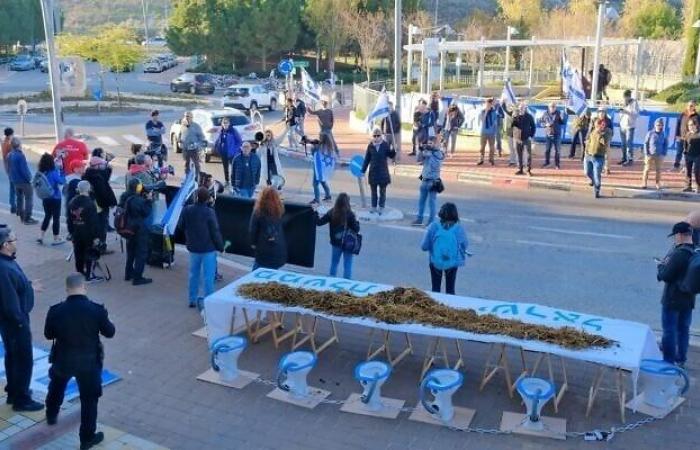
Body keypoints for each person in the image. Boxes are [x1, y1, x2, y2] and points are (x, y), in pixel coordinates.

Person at [44, 273, 115, 450]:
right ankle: (87, 439)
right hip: (89, 364)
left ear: (67, 289)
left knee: (57, 387)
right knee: (89, 400)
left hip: (63, 359)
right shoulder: (97, 310)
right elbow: (110, 332)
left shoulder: (55, 310)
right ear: (84, 287)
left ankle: (52, 414)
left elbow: (48, 334)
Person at [0, 226, 44, 412]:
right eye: (13, 239)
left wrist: (28, 285)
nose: (16, 241)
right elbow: (9, 302)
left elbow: (14, 286)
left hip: (11, 322)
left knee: (13, 356)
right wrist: (20, 322)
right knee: (23, 359)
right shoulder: (3, 268)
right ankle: (22, 399)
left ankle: (14, 391)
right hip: (15, 323)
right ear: (5, 245)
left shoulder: (7, 261)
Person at [657, 222, 696, 368]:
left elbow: (666, 276)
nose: (675, 239)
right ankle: (681, 359)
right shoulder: (695, 251)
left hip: (672, 298)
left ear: (679, 235)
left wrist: (661, 266)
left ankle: (668, 360)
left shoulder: (679, 253)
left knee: (669, 330)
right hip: (688, 298)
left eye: (675, 236)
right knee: (683, 329)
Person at [181, 187, 224, 308]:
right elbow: (215, 231)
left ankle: (192, 299)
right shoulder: (210, 212)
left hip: (193, 247)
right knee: (208, 277)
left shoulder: (187, 210)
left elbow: (181, 225)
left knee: (193, 274)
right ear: (207, 199)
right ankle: (208, 302)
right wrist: (221, 247)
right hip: (208, 248)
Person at [420, 203, 469, 295]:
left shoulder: (433, 226)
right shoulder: (459, 229)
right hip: (452, 263)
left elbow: (424, 246)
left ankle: (435, 306)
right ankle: (450, 306)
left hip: (435, 261)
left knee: (435, 287)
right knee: (450, 288)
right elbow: (465, 245)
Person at [315, 192, 360, 279]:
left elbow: (319, 223)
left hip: (335, 243)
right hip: (348, 243)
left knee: (334, 263)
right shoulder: (350, 214)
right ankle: (346, 283)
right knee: (348, 264)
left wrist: (315, 212)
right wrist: (357, 220)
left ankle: (331, 280)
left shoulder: (332, 212)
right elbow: (356, 229)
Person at [119, 178, 153, 286]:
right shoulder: (138, 200)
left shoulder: (127, 198)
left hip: (129, 228)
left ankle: (128, 273)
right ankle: (138, 278)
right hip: (139, 229)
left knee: (131, 253)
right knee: (141, 254)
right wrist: (149, 201)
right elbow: (146, 212)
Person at [83, 149, 117, 249]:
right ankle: (101, 245)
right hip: (101, 205)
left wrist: (108, 168)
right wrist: (109, 203)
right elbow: (103, 192)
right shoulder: (97, 177)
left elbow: (105, 176)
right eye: (101, 165)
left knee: (96, 225)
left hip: (93, 205)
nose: (103, 166)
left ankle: (96, 244)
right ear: (97, 166)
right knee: (102, 225)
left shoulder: (90, 174)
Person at [68, 181, 101, 281]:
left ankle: (79, 272)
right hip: (88, 233)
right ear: (88, 189)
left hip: (76, 231)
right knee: (89, 252)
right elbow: (94, 222)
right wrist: (96, 236)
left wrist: (71, 232)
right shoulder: (90, 203)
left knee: (78, 253)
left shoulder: (72, 201)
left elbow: (69, 219)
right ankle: (89, 275)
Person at [249, 187, 287, 270]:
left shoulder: (258, 211)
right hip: (278, 247)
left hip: (263, 247)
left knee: (256, 272)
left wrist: (253, 243)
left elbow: (253, 230)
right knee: (273, 273)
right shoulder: (280, 210)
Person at [361, 129, 396, 214]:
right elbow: (367, 159)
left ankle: (381, 207)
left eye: (378, 136)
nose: (376, 138)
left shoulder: (385, 145)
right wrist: (363, 170)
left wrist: (394, 150)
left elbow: (390, 155)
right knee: (373, 191)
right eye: (374, 136)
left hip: (383, 172)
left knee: (382, 191)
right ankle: (373, 207)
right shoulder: (370, 146)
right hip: (373, 172)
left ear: (381, 136)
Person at [412, 138, 444, 226]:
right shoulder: (427, 152)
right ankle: (419, 219)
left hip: (433, 181)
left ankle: (431, 222)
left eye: (431, 143)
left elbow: (434, 165)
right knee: (421, 201)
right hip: (424, 180)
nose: (429, 145)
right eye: (428, 143)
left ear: (436, 144)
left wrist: (429, 152)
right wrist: (420, 150)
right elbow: (418, 160)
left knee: (431, 203)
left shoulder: (438, 154)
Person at [37, 153, 66, 245]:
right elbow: (62, 181)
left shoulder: (41, 172)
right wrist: (62, 171)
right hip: (55, 197)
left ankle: (41, 236)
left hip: (45, 197)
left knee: (47, 216)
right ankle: (56, 238)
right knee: (56, 218)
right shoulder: (53, 172)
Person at [7, 137, 37, 224]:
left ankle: (21, 214)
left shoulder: (10, 155)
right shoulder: (20, 155)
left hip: (15, 181)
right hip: (24, 182)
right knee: (29, 198)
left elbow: (9, 169)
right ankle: (27, 218)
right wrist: (30, 179)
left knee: (19, 198)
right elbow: (24, 170)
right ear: (19, 145)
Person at [213, 117, 242, 187]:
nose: (225, 124)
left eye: (226, 122)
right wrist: (217, 147)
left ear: (229, 123)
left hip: (232, 153)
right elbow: (218, 140)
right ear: (222, 124)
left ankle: (234, 182)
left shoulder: (233, 131)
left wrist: (235, 150)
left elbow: (239, 141)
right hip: (224, 153)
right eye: (224, 123)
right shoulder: (221, 131)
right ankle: (227, 181)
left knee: (234, 168)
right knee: (225, 168)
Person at [585, 118, 610, 199]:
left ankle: (597, 190)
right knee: (587, 172)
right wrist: (586, 152)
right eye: (596, 125)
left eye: (599, 125)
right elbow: (588, 141)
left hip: (599, 157)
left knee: (597, 175)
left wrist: (600, 133)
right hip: (589, 155)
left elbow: (604, 143)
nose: (597, 127)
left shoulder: (606, 133)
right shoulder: (592, 132)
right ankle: (592, 180)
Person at [642, 118, 668, 190]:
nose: (659, 126)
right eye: (658, 125)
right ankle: (644, 182)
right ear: (655, 125)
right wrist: (646, 153)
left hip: (659, 155)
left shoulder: (664, 134)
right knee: (647, 169)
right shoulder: (650, 133)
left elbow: (666, 144)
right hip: (650, 154)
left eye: (661, 125)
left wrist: (664, 153)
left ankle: (657, 183)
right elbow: (645, 143)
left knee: (658, 170)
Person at [179, 111, 206, 178]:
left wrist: (197, 144)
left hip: (194, 148)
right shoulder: (183, 126)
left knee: (196, 164)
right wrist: (180, 140)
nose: (186, 118)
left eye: (188, 116)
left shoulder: (196, 126)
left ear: (191, 117)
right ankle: (187, 177)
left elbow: (202, 137)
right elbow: (180, 134)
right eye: (185, 116)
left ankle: (197, 177)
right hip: (185, 148)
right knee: (186, 164)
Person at [310, 133, 335, 205]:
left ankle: (317, 199)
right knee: (323, 181)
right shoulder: (329, 147)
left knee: (315, 184)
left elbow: (313, 153)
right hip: (324, 169)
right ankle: (328, 195)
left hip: (318, 168)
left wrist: (313, 146)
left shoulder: (319, 147)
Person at [675, 101, 699, 171]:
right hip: (682, 137)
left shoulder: (697, 116)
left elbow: (698, 127)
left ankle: (686, 167)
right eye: (689, 105)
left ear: (694, 107)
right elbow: (678, 125)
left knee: (688, 153)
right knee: (679, 152)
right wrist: (677, 135)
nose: (690, 107)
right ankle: (676, 165)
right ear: (687, 106)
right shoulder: (682, 114)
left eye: (692, 106)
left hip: (691, 139)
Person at [540, 101, 565, 169]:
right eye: (551, 106)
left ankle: (557, 164)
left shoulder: (559, 113)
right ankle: (547, 162)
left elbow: (562, 122)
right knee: (547, 150)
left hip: (557, 134)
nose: (553, 108)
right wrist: (545, 125)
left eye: (554, 106)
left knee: (557, 150)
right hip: (548, 135)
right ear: (549, 107)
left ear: (556, 107)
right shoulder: (545, 113)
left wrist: (562, 118)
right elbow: (541, 122)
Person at [618, 89, 640, 166]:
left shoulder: (634, 103)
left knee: (629, 143)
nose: (624, 99)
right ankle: (624, 158)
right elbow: (621, 113)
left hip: (630, 126)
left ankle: (630, 159)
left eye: (626, 97)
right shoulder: (624, 103)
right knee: (623, 143)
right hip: (622, 126)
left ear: (629, 96)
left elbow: (636, 114)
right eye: (624, 97)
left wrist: (626, 112)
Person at [477, 98, 498, 166]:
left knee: (492, 147)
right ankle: (481, 159)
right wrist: (486, 111)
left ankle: (491, 159)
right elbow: (482, 120)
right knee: (482, 147)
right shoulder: (482, 111)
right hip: (484, 132)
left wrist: (495, 131)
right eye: (487, 104)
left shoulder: (494, 112)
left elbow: (495, 122)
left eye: (489, 104)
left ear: (491, 104)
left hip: (491, 133)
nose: (488, 105)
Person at [2, 128, 16, 214]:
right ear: (10, 134)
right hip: (12, 168)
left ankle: (12, 205)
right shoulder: (9, 144)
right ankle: (14, 206)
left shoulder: (4, 142)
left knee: (12, 187)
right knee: (14, 188)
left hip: (8, 167)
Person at [685, 120, 700, 193]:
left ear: (695, 125)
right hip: (688, 156)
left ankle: (698, 186)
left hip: (698, 156)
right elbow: (685, 145)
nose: (690, 127)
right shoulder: (688, 134)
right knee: (688, 171)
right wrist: (685, 153)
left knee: (696, 171)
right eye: (688, 125)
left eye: (691, 125)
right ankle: (688, 186)